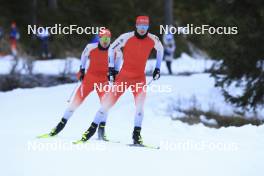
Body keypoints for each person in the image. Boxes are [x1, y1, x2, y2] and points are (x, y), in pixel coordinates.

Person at [75, 16, 164, 145]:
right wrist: (111, 68)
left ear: (148, 27)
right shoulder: (126, 37)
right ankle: (90, 131)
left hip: (139, 79)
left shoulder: (153, 39)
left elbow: (160, 50)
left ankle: (136, 135)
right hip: (124, 77)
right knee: (107, 103)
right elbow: (111, 49)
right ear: (136, 25)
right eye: (140, 26)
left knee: (140, 107)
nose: (142, 29)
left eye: (145, 26)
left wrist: (157, 68)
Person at [38, 29, 121, 140]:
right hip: (89, 80)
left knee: (105, 106)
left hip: (104, 82)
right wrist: (81, 69)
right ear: (99, 38)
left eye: (107, 39)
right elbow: (84, 56)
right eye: (103, 38)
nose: (105, 41)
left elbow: (118, 62)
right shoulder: (91, 47)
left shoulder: (115, 50)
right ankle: (59, 127)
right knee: (75, 103)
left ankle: (101, 131)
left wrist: (115, 72)